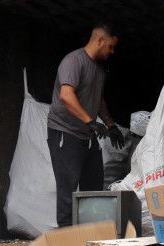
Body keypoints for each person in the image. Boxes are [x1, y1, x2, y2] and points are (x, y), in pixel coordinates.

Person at [47, 23, 125, 227]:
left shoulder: (98, 70)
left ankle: (90, 236)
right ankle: (65, 240)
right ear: (100, 41)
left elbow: (98, 99)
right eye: (110, 46)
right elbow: (66, 95)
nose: (112, 51)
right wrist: (90, 121)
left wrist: (110, 125)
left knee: (94, 187)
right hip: (65, 132)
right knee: (68, 189)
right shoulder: (74, 61)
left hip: (86, 136)